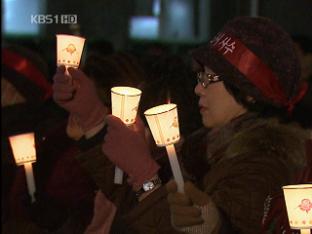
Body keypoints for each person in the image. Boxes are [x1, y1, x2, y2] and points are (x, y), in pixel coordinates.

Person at [52, 16, 311, 234]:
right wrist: (92, 116)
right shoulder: (201, 146)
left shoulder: (264, 165)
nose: (198, 88)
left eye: (211, 78)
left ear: (250, 91)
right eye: (200, 75)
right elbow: (134, 206)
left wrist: (144, 174)